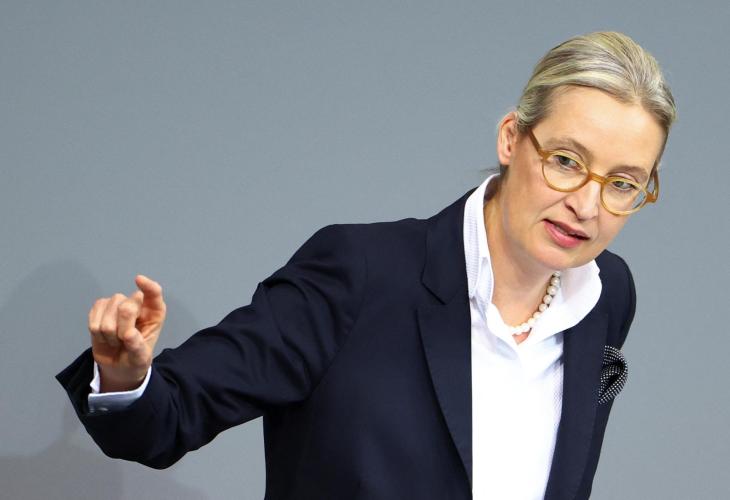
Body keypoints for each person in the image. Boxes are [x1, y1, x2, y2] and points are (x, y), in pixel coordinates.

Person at [57, 31, 676, 500]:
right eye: (566, 161)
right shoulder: (359, 274)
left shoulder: (607, 296)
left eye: (623, 183)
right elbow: (167, 419)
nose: (587, 204)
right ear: (512, 139)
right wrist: (124, 377)